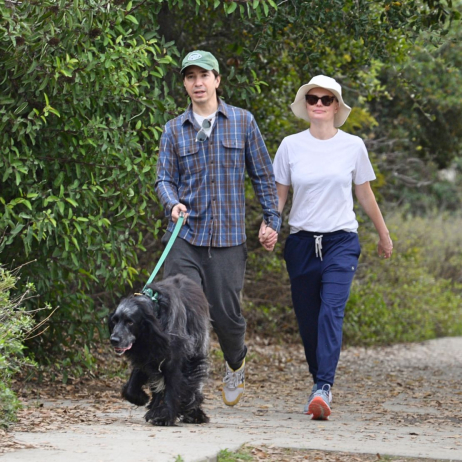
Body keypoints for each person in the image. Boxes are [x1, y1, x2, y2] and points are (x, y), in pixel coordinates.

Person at [155, 50, 280, 407]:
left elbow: (263, 176)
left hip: (227, 240)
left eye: (204, 75)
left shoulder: (243, 122)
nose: (197, 83)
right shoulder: (174, 130)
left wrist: (271, 220)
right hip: (185, 236)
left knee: (226, 316)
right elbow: (164, 178)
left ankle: (235, 361)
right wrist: (172, 202)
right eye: (190, 77)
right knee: (177, 311)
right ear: (184, 84)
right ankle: (180, 389)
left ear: (217, 80)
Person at [272, 75, 393, 420]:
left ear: (337, 106)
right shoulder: (290, 146)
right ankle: (318, 383)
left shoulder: (353, 146)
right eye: (313, 99)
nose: (320, 104)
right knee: (308, 320)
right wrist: (271, 226)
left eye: (327, 99)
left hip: (341, 241)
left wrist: (383, 235)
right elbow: (279, 198)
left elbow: (365, 193)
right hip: (301, 243)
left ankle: (324, 386)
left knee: (331, 312)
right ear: (306, 104)